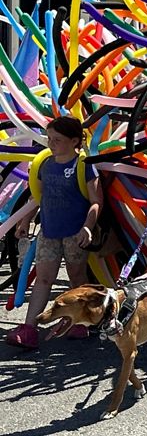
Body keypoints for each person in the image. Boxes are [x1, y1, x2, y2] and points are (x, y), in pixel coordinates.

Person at [4, 117, 103, 349]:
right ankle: (29, 329)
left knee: (77, 278)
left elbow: (96, 201)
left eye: (57, 140)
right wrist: (25, 221)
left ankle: (81, 321)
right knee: (44, 279)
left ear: (74, 141)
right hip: (49, 232)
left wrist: (88, 226)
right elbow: (37, 196)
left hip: (74, 234)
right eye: (49, 139)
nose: (51, 144)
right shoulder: (46, 164)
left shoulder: (85, 165)